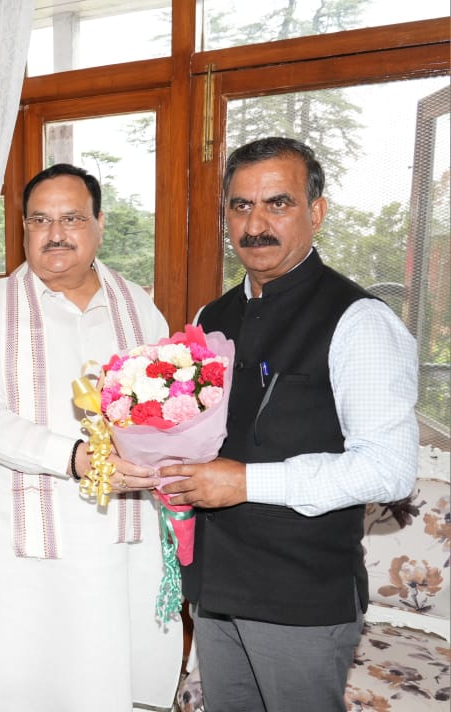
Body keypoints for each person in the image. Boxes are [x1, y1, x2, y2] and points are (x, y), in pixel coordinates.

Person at [161, 137, 419, 712]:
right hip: (215, 585)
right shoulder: (211, 316)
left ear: (316, 212)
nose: (256, 225)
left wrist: (247, 483)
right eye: (240, 206)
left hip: (300, 597)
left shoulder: (359, 321)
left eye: (278, 204)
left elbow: (390, 471)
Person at [0, 163, 183, 711]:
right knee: (23, 673)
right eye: (40, 220)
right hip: (26, 540)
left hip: (126, 535)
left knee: (115, 670)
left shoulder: (138, 307)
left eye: (72, 218)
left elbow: (172, 404)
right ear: (23, 229)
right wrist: (74, 458)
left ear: (99, 224)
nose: (55, 233)